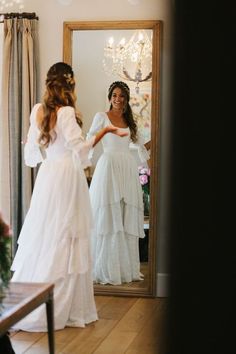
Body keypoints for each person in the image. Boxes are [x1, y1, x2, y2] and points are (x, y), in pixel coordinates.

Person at [10, 63, 127, 332]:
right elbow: (82, 152)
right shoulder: (66, 113)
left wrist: (37, 146)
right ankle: (63, 306)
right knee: (68, 236)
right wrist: (106, 131)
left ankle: (27, 303)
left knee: (45, 235)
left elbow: (31, 154)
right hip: (67, 177)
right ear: (70, 85)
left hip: (48, 176)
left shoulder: (37, 111)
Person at [87, 81, 150, 285]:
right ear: (109, 97)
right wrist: (81, 162)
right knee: (108, 217)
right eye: (114, 95)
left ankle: (125, 269)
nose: (118, 99)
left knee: (125, 216)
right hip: (109, 168)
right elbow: (90, 141)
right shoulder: (101, 117)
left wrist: (149, 166)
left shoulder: (130, 121)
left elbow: (141, 147)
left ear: (126, 99)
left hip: (128, 170)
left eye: (121, 95)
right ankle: (107, 268)